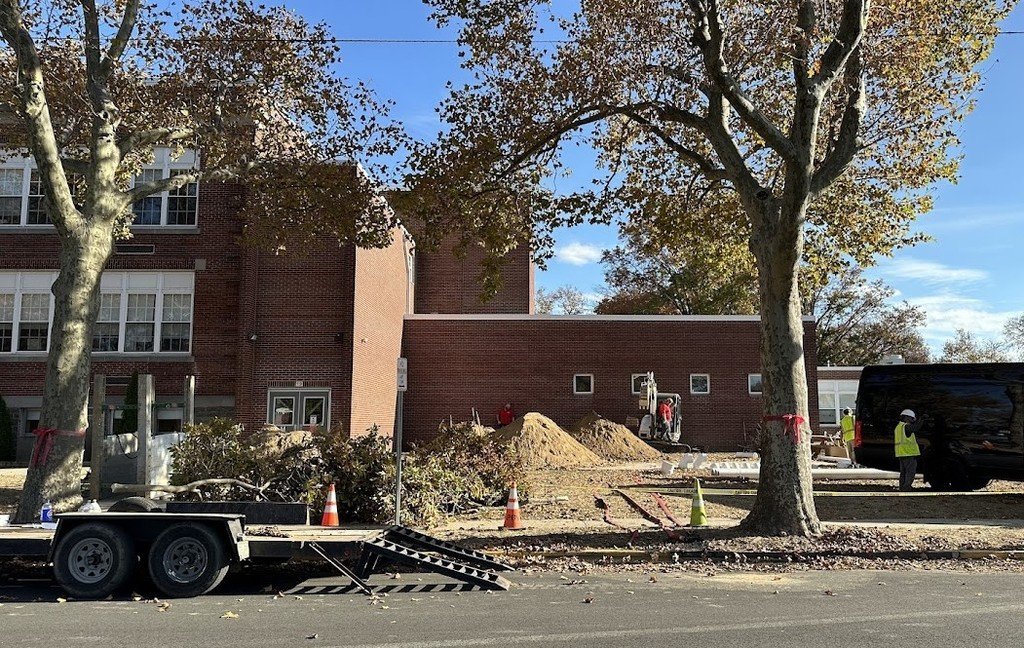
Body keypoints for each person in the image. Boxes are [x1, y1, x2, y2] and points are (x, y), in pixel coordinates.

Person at [894, 409, 924, 491]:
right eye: (911, 419)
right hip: (908, 453)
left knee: (903, 472)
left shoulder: (898, 427)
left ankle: (902, 487)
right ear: (906, 418)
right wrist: (922, 419)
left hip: (901, 453)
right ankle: (906, 488)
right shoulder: (906, 427)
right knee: (910, 472)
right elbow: (916, 428)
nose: (912, 421)